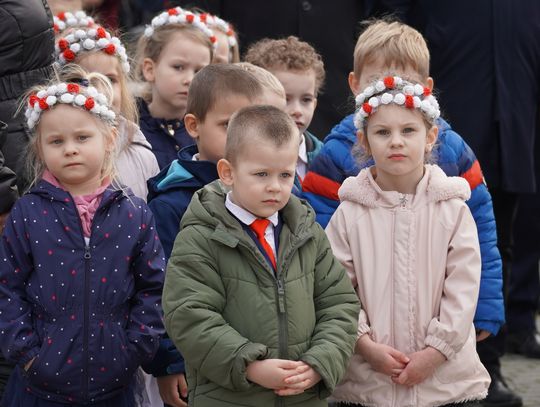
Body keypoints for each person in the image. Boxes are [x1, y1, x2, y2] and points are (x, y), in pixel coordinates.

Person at [302, 19, 504, 349]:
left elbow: (480, 224)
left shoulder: (451, 148)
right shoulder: (336, 152)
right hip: (366, 312)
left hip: (437, 305)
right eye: (378, 83)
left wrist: (485, 302)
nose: (392, 93)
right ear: (355, 84)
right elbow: (318, 237)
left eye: (405, 83)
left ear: (426, 85)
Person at [162, 105, 360, 406]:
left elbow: (340, 305)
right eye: (261, 174)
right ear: (228, 172)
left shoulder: (308, 232)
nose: (275, 187)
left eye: (285, 175)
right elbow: (189, 316)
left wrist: (319, 363)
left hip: (302, 398)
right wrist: (249, 365)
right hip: (228, 397)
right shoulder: (201, 236)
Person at [0, 68, 165, 406]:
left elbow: (154, 287)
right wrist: (27, 352)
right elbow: (7, 286)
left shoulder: (133, 213)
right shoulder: (28, 213)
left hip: (115, 385)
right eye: (57, 141)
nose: (70, 149)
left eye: (82, 138)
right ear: (39, 148)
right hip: (38, 387)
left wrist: (135, 348)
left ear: (109, 139)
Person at [325, 76, 490, 407]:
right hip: (369, 385)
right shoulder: (348, 214)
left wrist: (435, 352)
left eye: (408, 131)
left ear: (430, 137)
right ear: (364, 140)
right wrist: (365, 345)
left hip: (445, 384)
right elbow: (336, 289)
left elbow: (463, 288)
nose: (396, 141)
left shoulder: (453, 210)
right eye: (383, 132)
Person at [55, 26, 160, 200]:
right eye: (80, 81)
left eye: (110, 80)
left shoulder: (141, 154)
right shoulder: (59, 152)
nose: (100, 91)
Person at [135, 6, 215, 169]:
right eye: (178, 67)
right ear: (150, 69)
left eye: (199, 70)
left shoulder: (211, 129)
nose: (190, 79)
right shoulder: (131, 128)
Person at [244, 36, 324, 187]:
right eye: (286, 99)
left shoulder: (326, 158)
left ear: (315, 103)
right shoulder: (246, 155)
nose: (297, 111)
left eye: (306, 100)